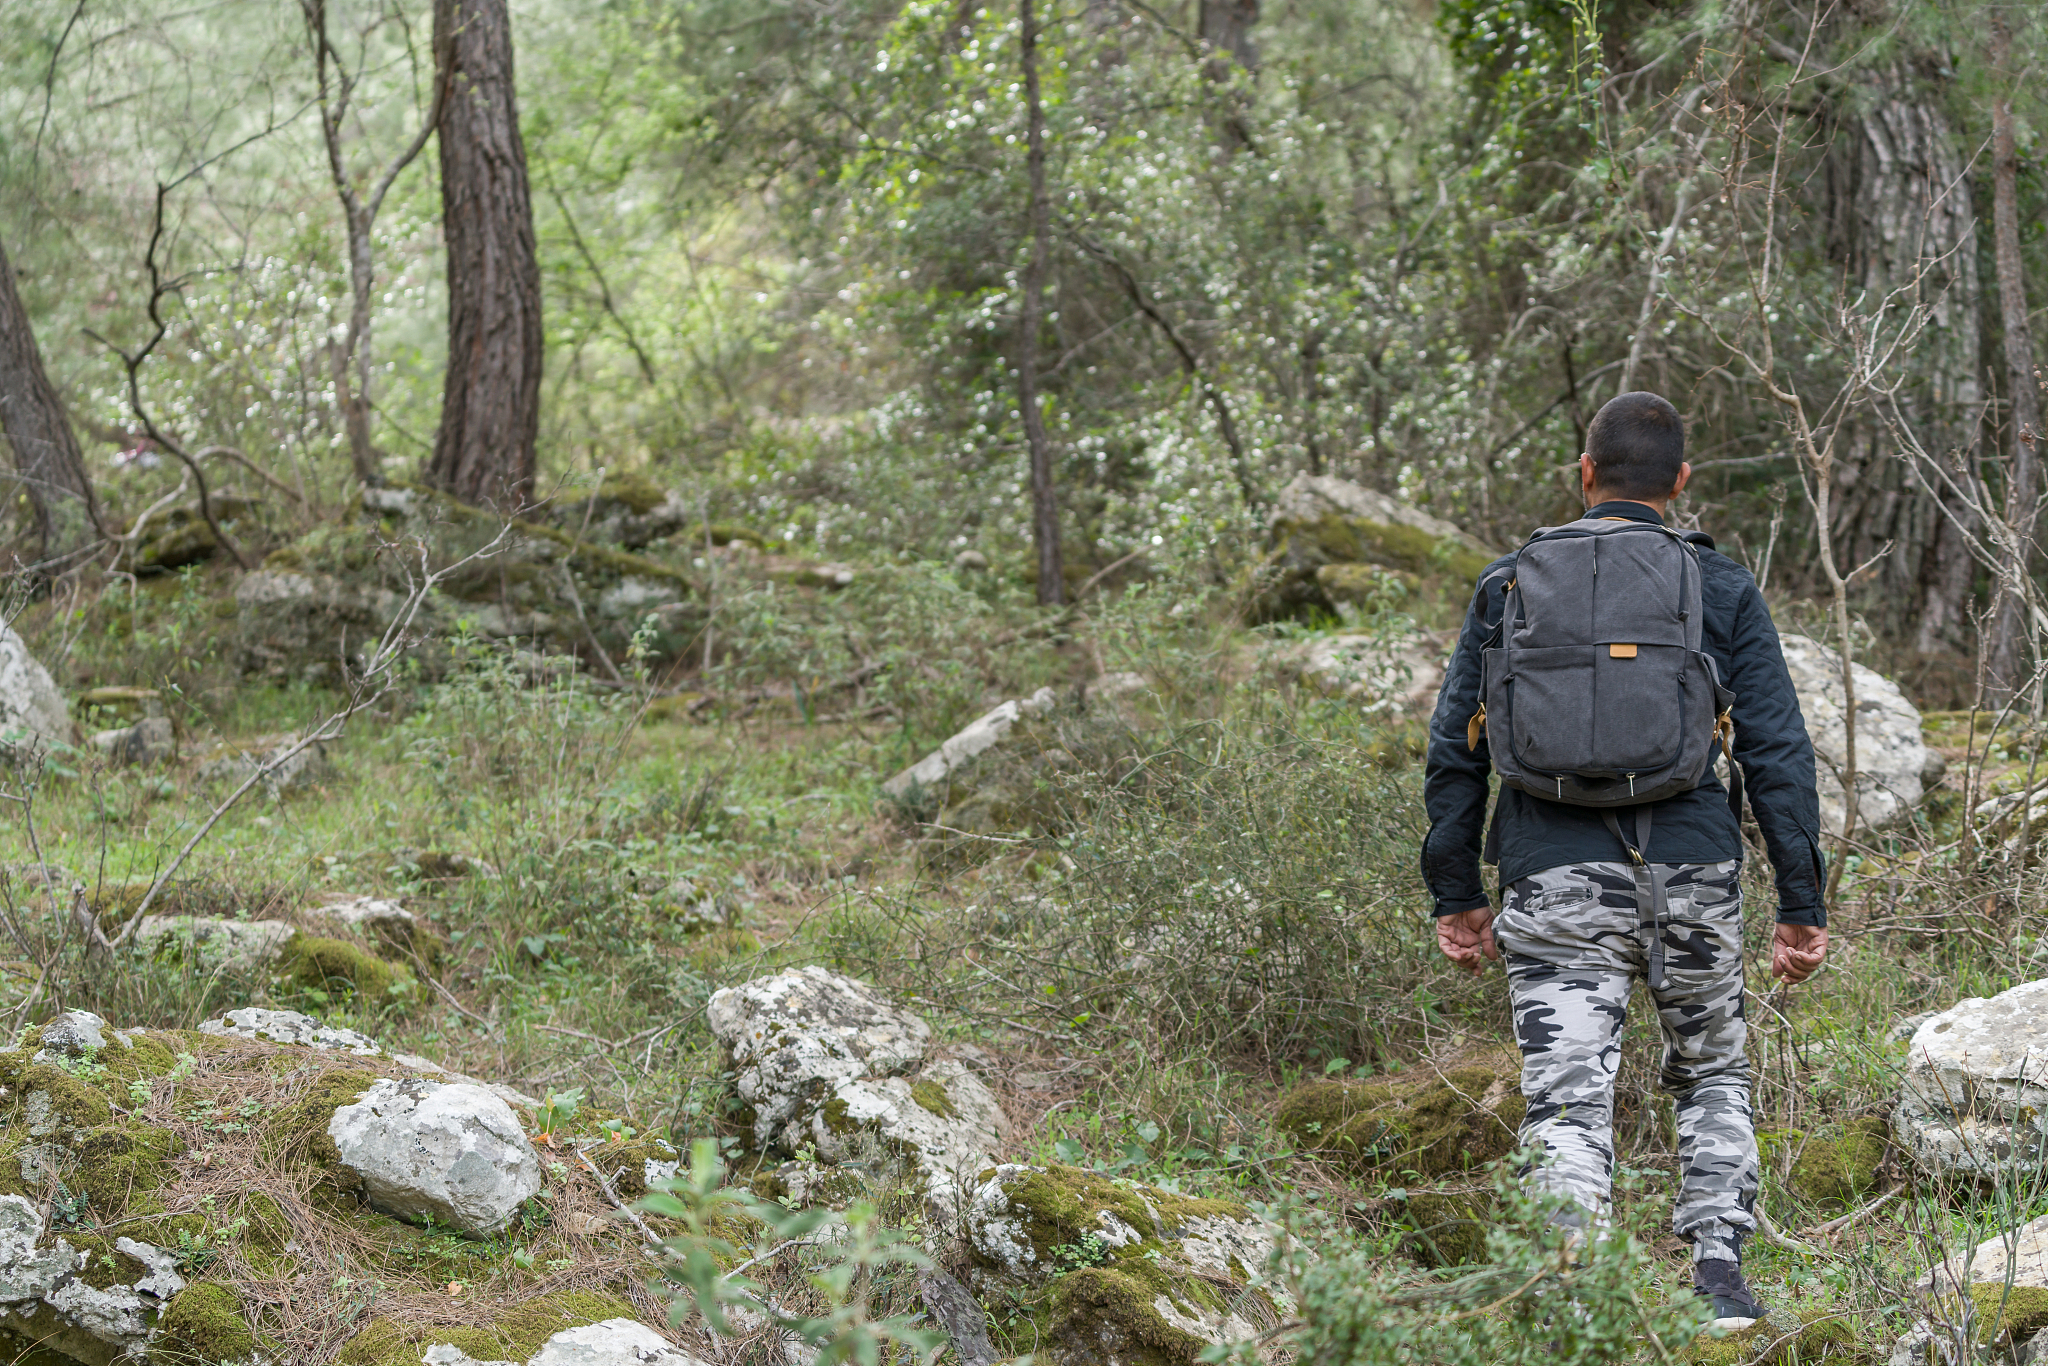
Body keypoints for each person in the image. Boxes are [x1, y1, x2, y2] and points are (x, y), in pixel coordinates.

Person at [1421, 391, 1828, 1327]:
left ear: (1584, 473)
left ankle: (1574, 1293)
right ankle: (1720, 1278)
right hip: (1693, 873)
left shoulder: (1509, 585)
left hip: (1552, 875)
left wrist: (1456, 889)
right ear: (1680, 481)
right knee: (1713, 1073)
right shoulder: (1720, 586)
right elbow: (1776, 750)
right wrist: (1800, 902)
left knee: (1567, 1100)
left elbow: (1454, 751)